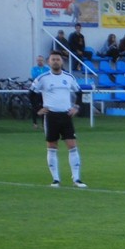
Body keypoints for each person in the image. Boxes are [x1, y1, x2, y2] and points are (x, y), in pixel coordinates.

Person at [30, 51, 88, 188]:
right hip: (51, 116)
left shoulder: (68, 77)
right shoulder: (43, 78)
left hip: (66, 116)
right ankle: (55, 179)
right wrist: (38, 108)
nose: (55, 61)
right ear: (49, 62)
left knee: (72, 146)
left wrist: (76, 107)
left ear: (62, 62)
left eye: (58, 59)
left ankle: (77, 179)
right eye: (53, 59)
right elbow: (31, 93)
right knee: (52, 146)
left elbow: (79, 92)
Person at [29, 55, 49, 128]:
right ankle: (35, 123)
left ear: (43, 61)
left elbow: (48, 76)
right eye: (38, 60)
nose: (40, 62)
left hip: (44, 91)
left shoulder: (47, 68)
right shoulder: (34, 69)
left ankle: (44, 123)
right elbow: (35, 77)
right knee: (35, 107)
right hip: (36, 91)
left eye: (41, 60)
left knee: (44, 107)